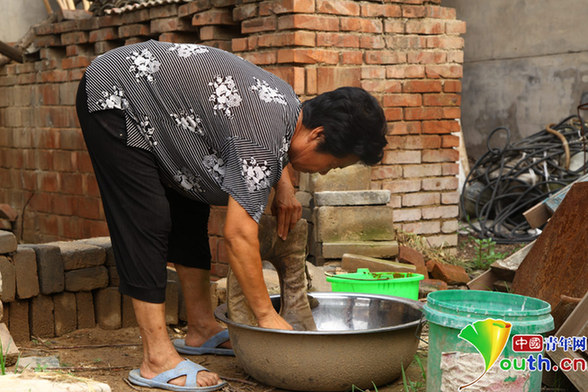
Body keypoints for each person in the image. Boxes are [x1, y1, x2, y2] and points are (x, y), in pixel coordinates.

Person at [75, 39, 387, 392]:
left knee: (189, 205)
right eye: (332, 164)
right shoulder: (264, 131)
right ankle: (156, 358)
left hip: (161, 109)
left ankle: (201, 329)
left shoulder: (285, 108)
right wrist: (266, 317)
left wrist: (284, 187)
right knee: (148, 219)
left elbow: (267, 141)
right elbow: (238, 236)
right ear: (318, 134)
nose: (325, 172)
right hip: (116, 94)